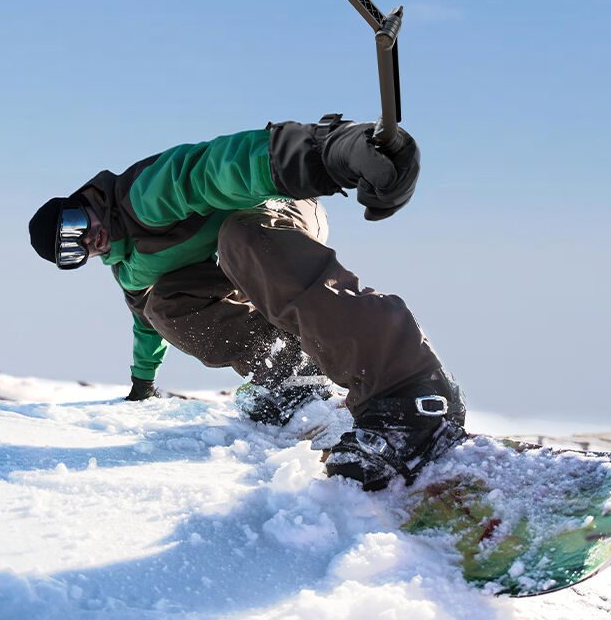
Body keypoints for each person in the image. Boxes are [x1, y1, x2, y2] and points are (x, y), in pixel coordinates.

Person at [29, 115, 465, 491]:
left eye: (75, 224)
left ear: (82, 201)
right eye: (72, 249)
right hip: (236, 258)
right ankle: (290, 370)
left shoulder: (139, 196)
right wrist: (142, 385)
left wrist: (330, 152)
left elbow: (214, 168)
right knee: (163, 306)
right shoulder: (129, 270)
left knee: (240, 236)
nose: (86, 240)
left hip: (277, 202)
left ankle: (409, 390)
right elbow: (145, 328)